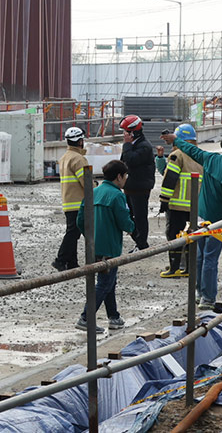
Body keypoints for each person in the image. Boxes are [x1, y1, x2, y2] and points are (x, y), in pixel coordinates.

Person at [174, 129, 222, 310]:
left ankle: (200, 293)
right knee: (210, 258)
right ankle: (208, 298)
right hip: (217, 222)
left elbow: (191, 150)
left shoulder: (211, 159)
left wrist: (176, 140)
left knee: (200, 256)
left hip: (201, 216)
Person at [75, 159, 134, 332]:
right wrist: (132, 227)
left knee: (109, 281)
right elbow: (124, 221)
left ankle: (114, 316)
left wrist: (90, 236)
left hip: (93, 245)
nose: (126, 180)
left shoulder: (93, 192)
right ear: (119, 176)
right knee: (105, 283)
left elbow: (80, 219)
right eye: (125, 176)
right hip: (110, 247)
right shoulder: (117, 195)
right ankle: (85, 317)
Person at [157, 125, 205, 278]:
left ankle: (174, 268)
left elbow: (170, 178)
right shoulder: (200, 155)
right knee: (193, 235)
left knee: (174, 236)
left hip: (177, 205)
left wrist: (164, 200)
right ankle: (189, 268)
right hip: (196, 206)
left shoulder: (177, 155)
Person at [53, 126, 92, 272]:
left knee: (73, 232)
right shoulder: (79, 159)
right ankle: (60, 259)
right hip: (79, 202)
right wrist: (96, 187)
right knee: (73, 233)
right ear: (80, 141)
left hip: (68, 201)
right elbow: (86, 183)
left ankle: (72, 263)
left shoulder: (65, 157)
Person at [118, 115, 154, 251]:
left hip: (140, 187)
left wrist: (126, 145)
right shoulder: (133, 144)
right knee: (130, 215)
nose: (124, 135)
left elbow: (131, 160)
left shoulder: (144, 146)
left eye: (126, 132)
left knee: (139, 216)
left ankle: (142, 243)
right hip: (130, 186)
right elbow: (124, 162)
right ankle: (138, 240)